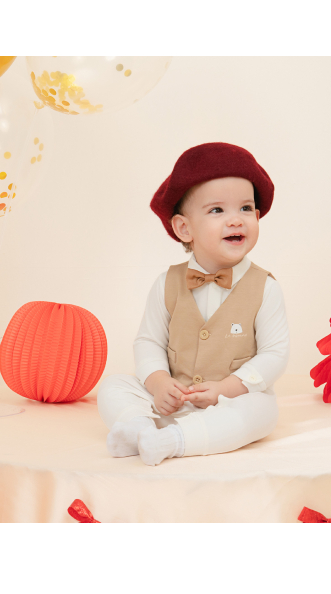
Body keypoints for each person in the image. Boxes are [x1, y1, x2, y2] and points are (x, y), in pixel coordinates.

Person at [97, 142, 290, 466]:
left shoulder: (265, 288)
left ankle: (173, 441)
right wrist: (159, 383)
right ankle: (139, 427)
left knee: (263, 410)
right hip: (172, 399)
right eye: (217, 210)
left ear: (257, 216)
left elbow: (275, 354)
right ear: (184, 228)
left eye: (246, 208)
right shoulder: (166, 284)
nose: (236, 220)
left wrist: (226, 389)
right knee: (114, 386)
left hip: (229, 401)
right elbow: (148, 341)